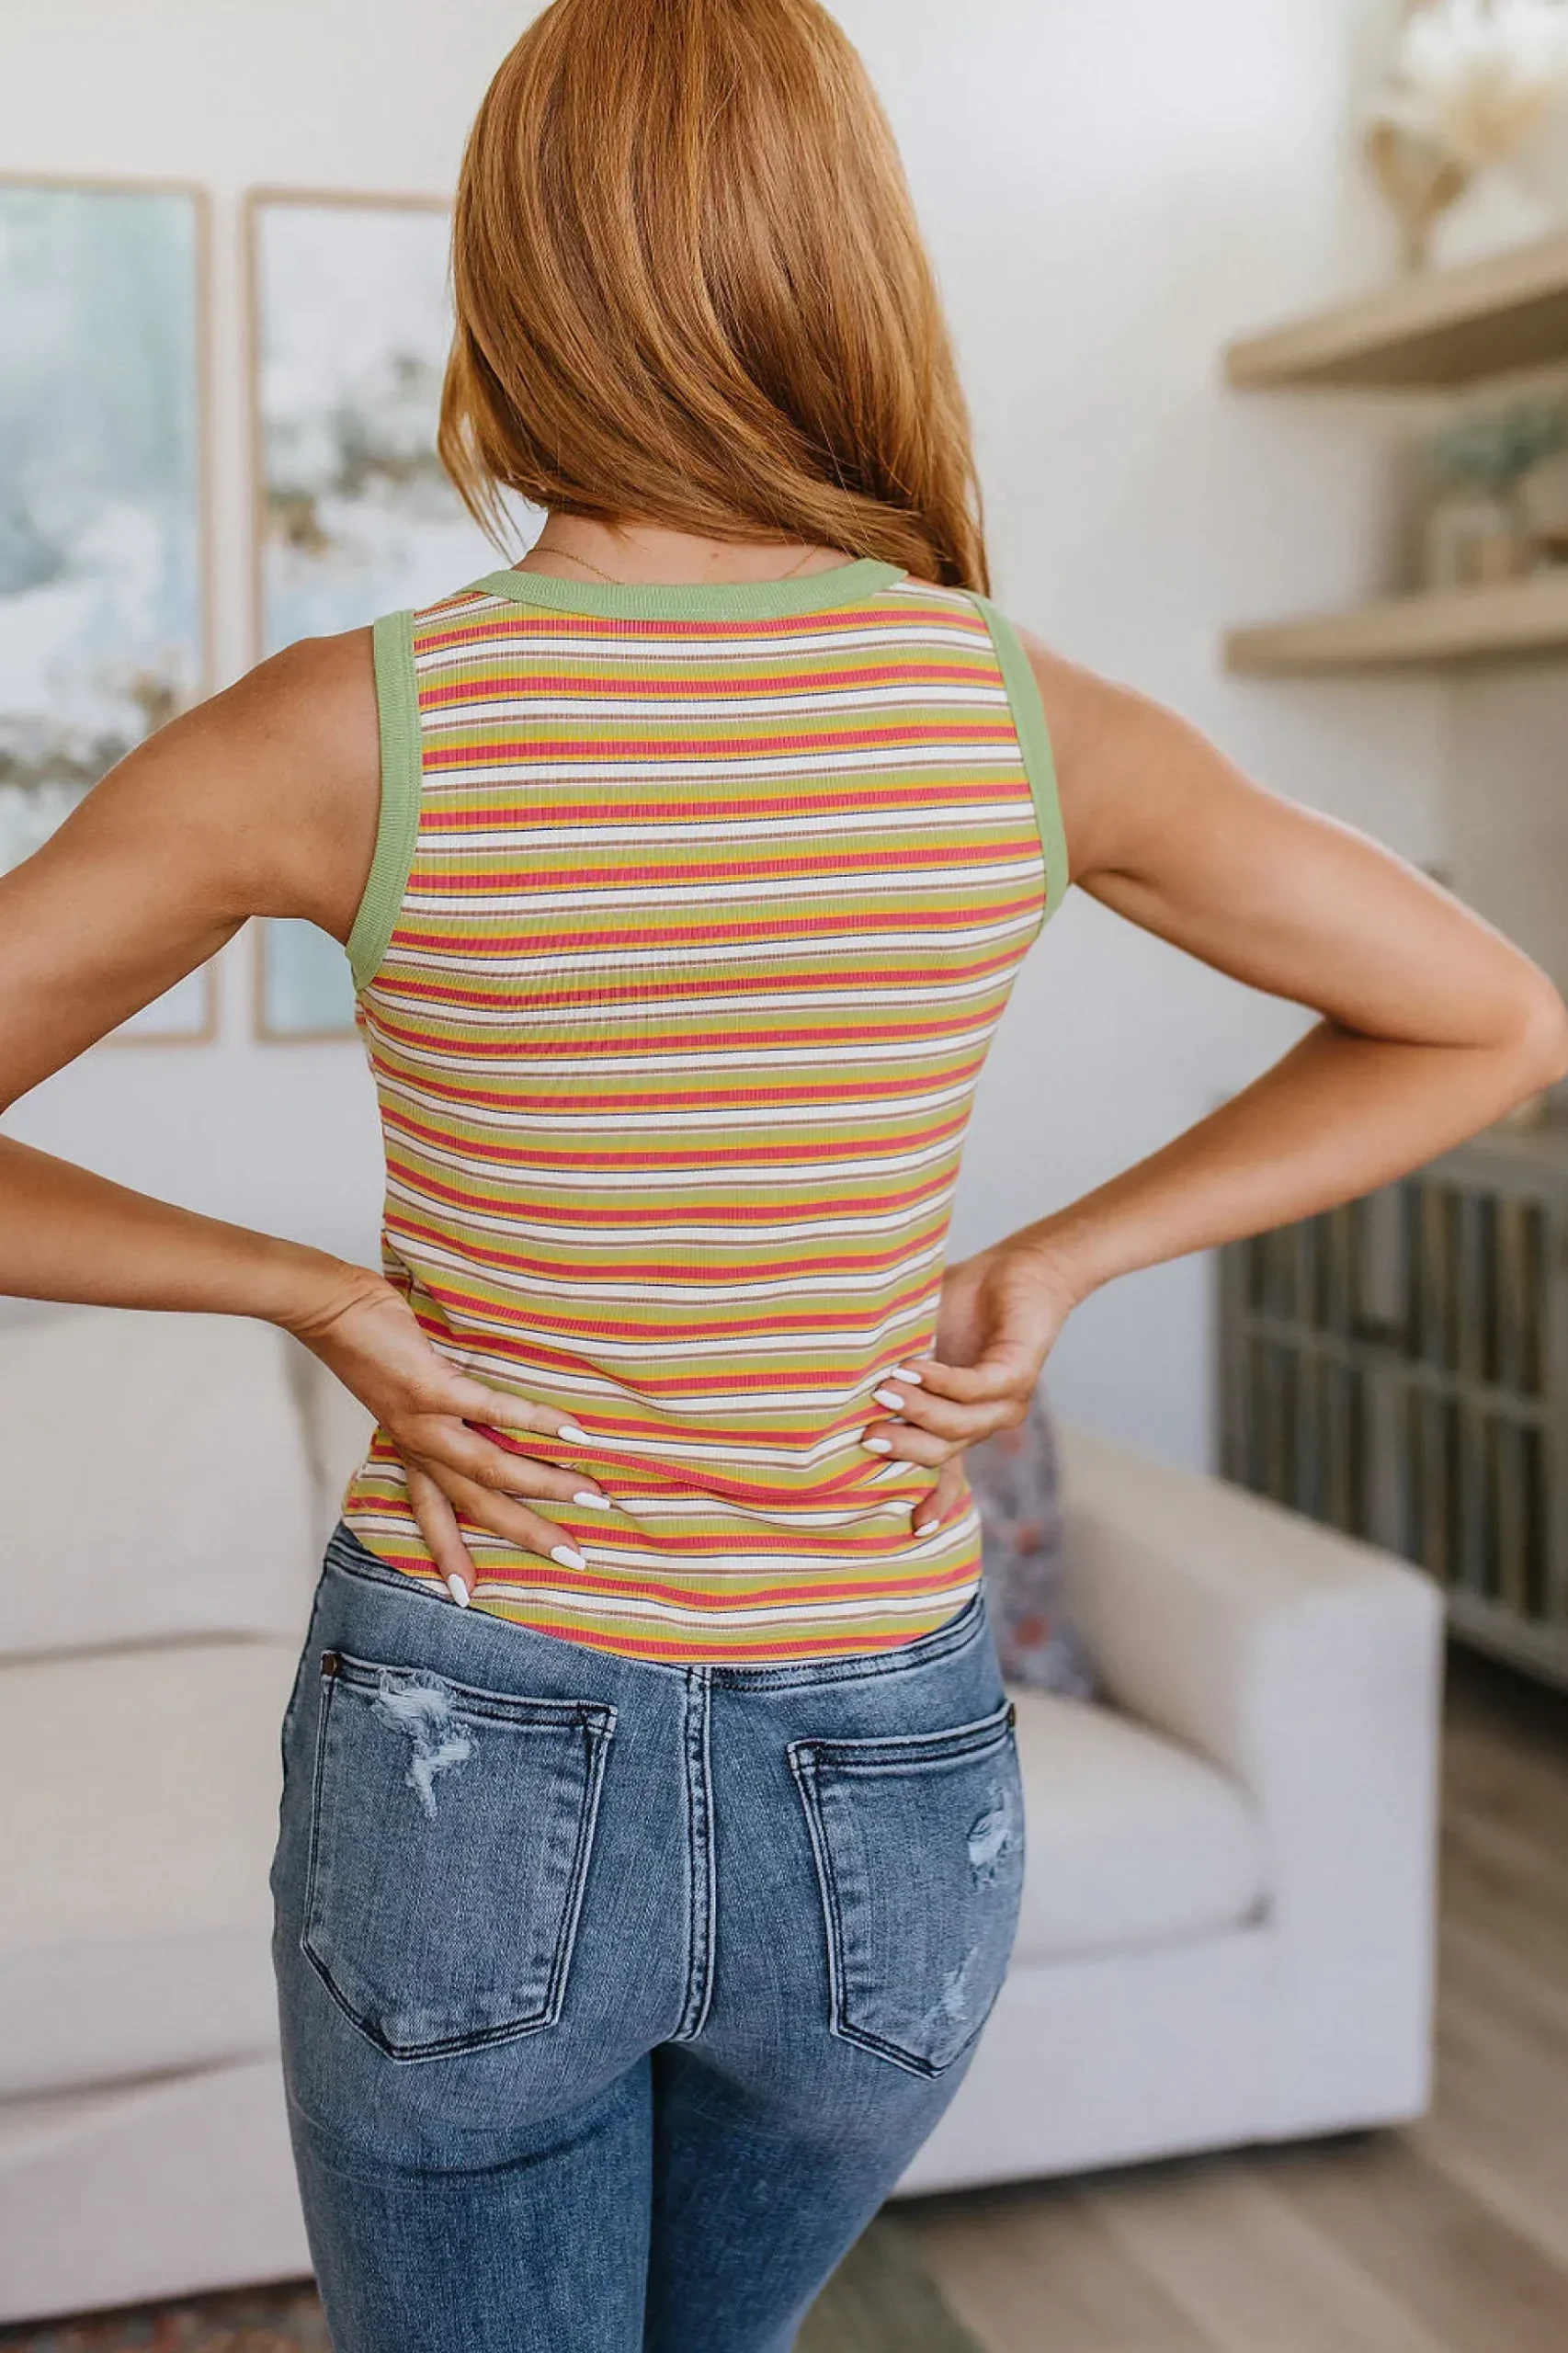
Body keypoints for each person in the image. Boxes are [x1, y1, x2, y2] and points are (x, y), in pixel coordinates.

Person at [4, 1, 1564, 2346]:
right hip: (890, 1762)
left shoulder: (355, 727)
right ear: (849, 263)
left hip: (470, 1726)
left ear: (513, 273)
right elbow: (1493, 1014)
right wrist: (1057, 1260)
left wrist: (309, 1292)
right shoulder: (1017, 715)